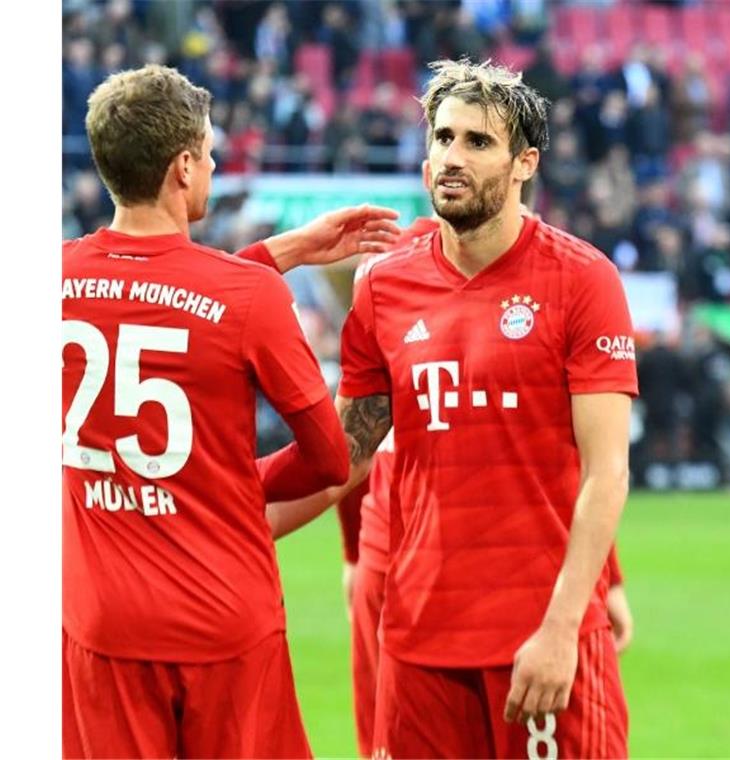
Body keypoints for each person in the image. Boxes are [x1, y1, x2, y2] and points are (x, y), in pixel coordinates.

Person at [62, 64, 400, 759]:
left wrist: (281, 254)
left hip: (100, 627)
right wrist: (236, 490)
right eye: (211, 152)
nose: (215, 164)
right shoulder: (249, 298)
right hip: (222, 623)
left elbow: (158, 295)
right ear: (183, 167)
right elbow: (331, 459)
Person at [334, 58, 638, 758]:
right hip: (416, 643)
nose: (452, 157)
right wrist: (233, 508)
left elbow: (606, 472)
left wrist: (564, 629)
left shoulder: (583, 279)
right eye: (442, 138)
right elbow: (339, 460)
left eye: (477, 142)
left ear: (524, 162)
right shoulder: (382, 288)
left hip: (542, 634)